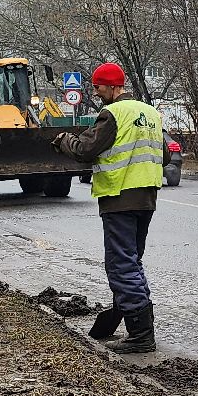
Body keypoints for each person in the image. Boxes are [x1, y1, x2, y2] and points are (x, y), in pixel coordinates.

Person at [52, 62, 166, 354]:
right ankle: (139, 324)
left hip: (120, 195)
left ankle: (140, 335)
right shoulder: (151, 113)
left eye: (99, 86)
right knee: (132, 261)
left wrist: (65, 140)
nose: (96, 91)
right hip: (147, 196)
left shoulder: (112, 113)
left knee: (121, 264)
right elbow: (164, 155)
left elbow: (86, 150)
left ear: (113, 87)